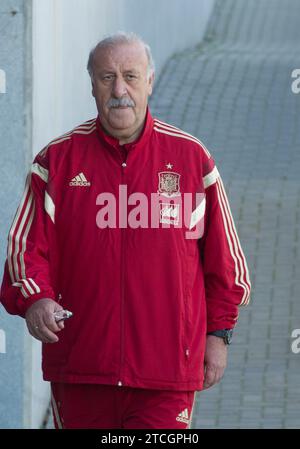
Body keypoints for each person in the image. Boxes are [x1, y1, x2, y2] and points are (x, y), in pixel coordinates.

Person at [0, 32, 251, 429]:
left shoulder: (191, 159)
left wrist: (218, 335)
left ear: (150, 81)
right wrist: (36, 300)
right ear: (92, 85)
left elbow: (226, 263)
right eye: (106, 77)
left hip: (167, 373)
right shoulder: (56, 161)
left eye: (131, 76)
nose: (120, 90)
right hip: (82, 369)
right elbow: (24, 251)